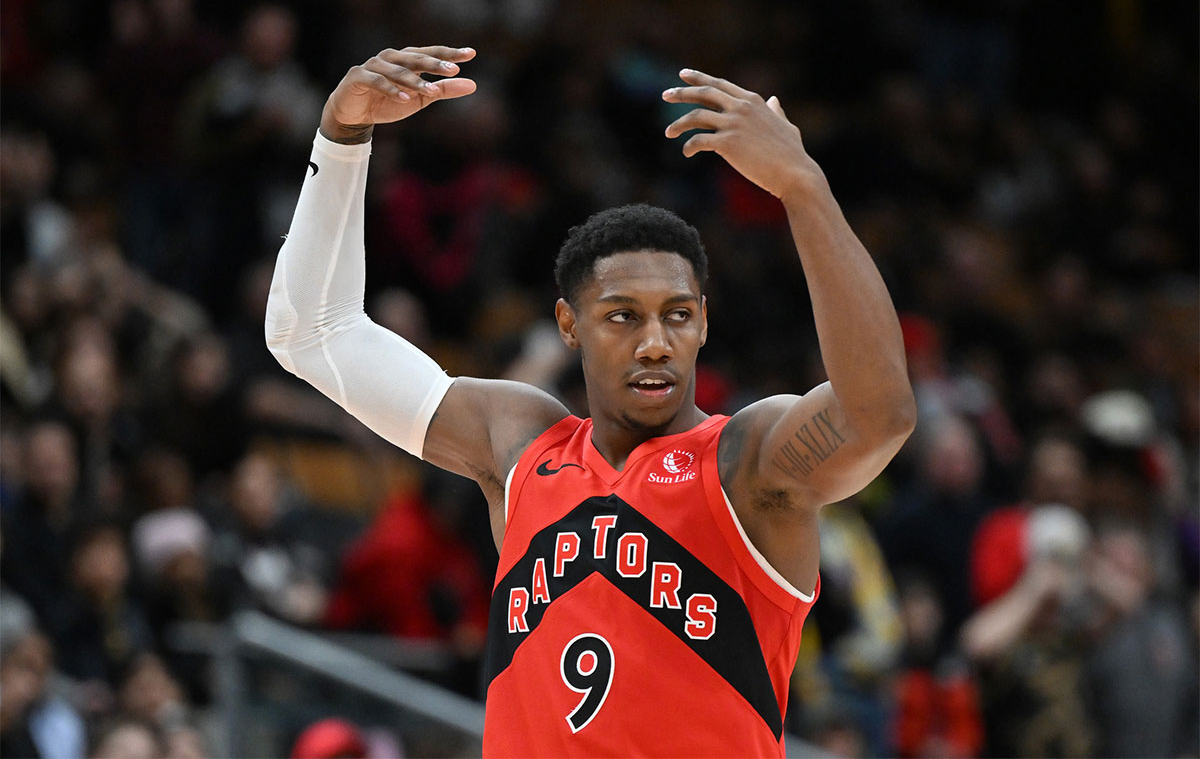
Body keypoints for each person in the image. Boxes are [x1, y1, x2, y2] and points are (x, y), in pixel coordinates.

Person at [266, 45, 915, 756]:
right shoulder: (519, 441)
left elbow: (878, 414)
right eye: (622, 316)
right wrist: (342, 135)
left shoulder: (744, 464)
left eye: (677, 315)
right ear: (569, 325)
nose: (655, 343)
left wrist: (804, 189)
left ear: (704, 321)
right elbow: (311, 332)